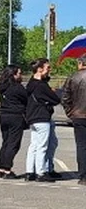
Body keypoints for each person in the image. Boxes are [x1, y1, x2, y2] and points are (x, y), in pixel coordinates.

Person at [25, 58, 61, 182]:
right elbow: (56, 99)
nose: (49, 70)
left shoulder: (31, 84)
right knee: (43, 146)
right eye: (47, 68)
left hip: (32, 117)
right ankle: (41, 172)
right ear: (40, 69)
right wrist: (52, 94)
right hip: (42, 117)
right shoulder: (40, 86)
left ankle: (30, 171)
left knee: (34, 145)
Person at [0, 65, 26, 179]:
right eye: (19, 73)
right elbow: (26, 98)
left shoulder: (1, 86)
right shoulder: (17, 87)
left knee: (6, 142)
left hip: (3, 115)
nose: (21, 75)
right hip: (15, 116)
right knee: (13, 143)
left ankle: (1, 168)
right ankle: (7, 169)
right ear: (13, 75)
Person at [61, 55, 86, 186]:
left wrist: (70, 113)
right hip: (79, 114)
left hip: (78, 116)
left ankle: (83, 176)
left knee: (82, 146)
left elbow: (65, 97)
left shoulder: (73, 77)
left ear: (81, 63)